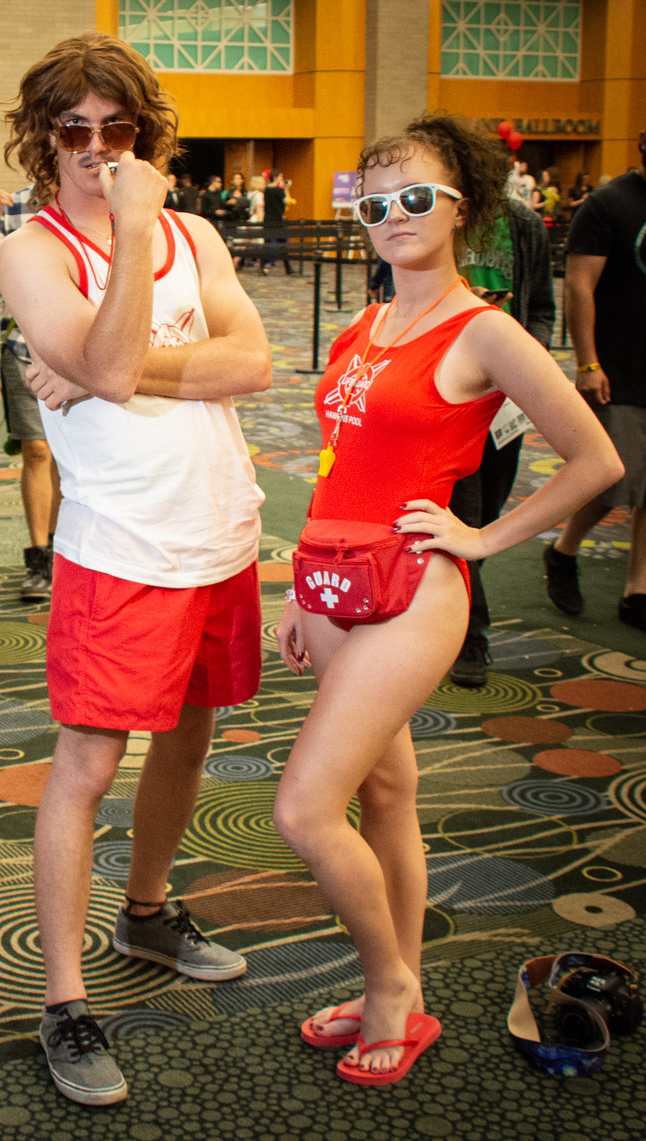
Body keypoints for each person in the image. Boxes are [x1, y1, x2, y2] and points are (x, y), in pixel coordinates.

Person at [274, 114, 620, 1087]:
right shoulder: (363, 325)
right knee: (383, 794)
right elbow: (341, 463)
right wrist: (303, 592)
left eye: (413, 198)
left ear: (460, 208)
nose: (390, 217)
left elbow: (594, 457)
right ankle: (403, 985)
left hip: (414, 591)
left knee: (304, 810)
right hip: (338, 583)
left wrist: (480, 538)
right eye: (372, 203)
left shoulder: (484, 329)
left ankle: (388, 987)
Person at [0, 32, 269, 1106]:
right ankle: (63, 1000)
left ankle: (147, 911)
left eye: (116, 130)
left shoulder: (198, 235)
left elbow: (249, 361)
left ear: (143, 134)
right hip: (118, 549)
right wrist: (132, 237)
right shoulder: (35, 250)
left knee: (191, 735)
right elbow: (104, 365)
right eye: (73, 129)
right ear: (42, 138)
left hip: (219, 531)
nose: (95, 149)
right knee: (86, 767)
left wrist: (108, 371)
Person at [543, 130, 646, 631]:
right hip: (619, 365)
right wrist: (588, 362)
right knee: (612, 479)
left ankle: (637, 587)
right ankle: (563, 550)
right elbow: (580, 286)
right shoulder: (609, 204)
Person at [450, 195, 555, 684]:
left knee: (487, 517)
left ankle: (458, 611)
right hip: (448, 393)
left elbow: (542, 311)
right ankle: (470, 635)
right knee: (462, 514)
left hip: (506, 400)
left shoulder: (524, 224)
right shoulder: (437, 221)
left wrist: (519, 360)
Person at [0, 184, 60, 601]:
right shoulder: (15, 207)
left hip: (85, 350)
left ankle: (63, 547)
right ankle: (40, 557)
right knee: (37, 450)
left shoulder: (97, 199)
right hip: (23, 349)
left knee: (72, 456)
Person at [261, 170, 292, 275]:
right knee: (283, 244)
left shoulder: (267, 190)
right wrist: (286, 189)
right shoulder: (279, 191)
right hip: (278, 221)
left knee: (267, 243)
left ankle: (263, 266)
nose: (281, 179)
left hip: (268, 220)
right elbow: (287, 201)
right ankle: (288, 268)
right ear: (275, 178)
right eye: (280, 177)